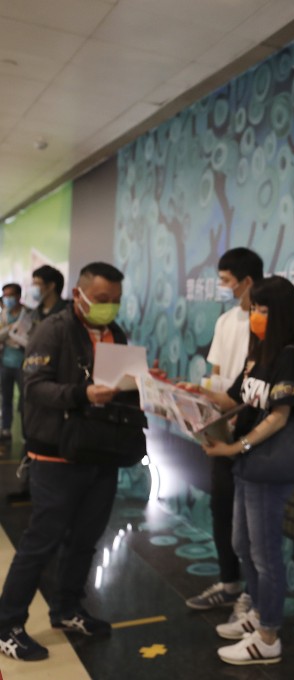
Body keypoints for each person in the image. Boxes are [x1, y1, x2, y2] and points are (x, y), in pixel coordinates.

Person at [0, 262, 144, 661]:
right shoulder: (54, 330)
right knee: (41, 542)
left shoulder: (117, 333)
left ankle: (67, 609)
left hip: (103, 451)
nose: (109, 307)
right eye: (101, 300)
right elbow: (35, 388)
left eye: (115, 300)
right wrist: (83, 394)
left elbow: (122, 386)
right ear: (79, 294)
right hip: (56, 453)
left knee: (85, 539)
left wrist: (146, 385)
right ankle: (7, 624)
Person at [200, 275, 294, 665]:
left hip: (267, 465)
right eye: (255, 308)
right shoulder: (258, 353)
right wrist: (191, 392)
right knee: (242, 544)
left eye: (263, 310)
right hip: (246, 464)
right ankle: (259, 612)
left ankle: (268, 636)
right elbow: (234, 400)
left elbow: (279, 416)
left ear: (280, 313)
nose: (256, 316)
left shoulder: (290, 355)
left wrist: (235, 446)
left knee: (265, 554)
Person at [185, 248, 264, 612]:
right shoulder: (225, 322)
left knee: (252, 519)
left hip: (254, 432)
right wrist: (203, 398)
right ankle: (229, 582)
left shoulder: (267, 324)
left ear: (247, 281)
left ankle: (256, 596)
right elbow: (214, 374)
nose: (224, 288)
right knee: (221, 506)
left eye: (227, 282)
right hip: (220, 427)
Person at [5, 266, 68, 503]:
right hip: (32, 380)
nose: (33, 287)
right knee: (30, 432)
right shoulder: (33, 314)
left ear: (51, 285)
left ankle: (48, 490)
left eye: (37, 282)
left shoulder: (66, 315)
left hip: (56, 387)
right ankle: (29, 485)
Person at [0, 283, 30, 440]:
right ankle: (5, 429)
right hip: (5, 363)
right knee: (6, 398)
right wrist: (9, 330)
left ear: (18, 296)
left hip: (23, 365)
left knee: (25, 401)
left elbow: (31, 338)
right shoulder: (3, 315)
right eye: (5, 296)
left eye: (10, 295)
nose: (7, 299)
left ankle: (26, 432)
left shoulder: (28, 315)